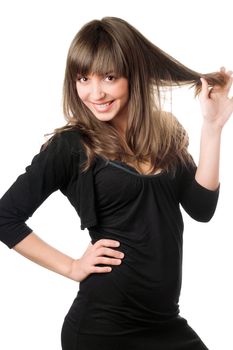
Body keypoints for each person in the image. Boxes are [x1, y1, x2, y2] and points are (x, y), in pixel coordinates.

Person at [0, 16, 232, 350]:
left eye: (109, 77)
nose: (95, 93)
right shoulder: (71, 146)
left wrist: (212, 127)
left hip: (166, 323)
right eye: (83, 78)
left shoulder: (165, 133)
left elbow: (202, 207)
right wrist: (71, 266)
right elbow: (6, 217)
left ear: (132, 74)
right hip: (103, 329)